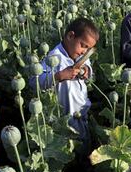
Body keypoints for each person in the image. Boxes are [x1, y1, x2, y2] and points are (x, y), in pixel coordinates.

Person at [29, 17, 99, 156]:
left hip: (81, 114)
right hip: (64, 121)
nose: (84, 52)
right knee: (67, 152)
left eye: (88, 49)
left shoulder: (82, 57)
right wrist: (58, 76)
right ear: (70, 36)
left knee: (85, 148)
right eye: (83, 45)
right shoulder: (53, 58)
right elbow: (35, 82)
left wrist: (86, 71)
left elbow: (89, 71)